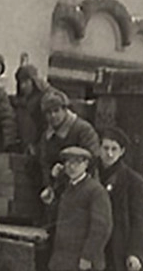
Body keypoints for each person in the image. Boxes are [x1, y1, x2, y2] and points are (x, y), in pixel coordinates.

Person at [96, 126, 143, 271]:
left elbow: (139, 220)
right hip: (97, 245)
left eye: (114, 149)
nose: (109, 154)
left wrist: (135, 252)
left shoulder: (133, 182)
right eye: (105, 148)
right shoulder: (92, 174)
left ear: (122, 151)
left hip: (120, 247)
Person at [38, 89, 100, 219]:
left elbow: (93, 157)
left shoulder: (83, 129)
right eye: (48, 113)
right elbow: (44, 162)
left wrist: (67, 169)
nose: (53, 116)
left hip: (82, 189)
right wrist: (48, 185)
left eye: (56, 111)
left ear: (65, 110)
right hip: (57, 192)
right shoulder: (47, 136)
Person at [11, 62, 50, 154]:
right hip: (23, 146)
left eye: (26, 81)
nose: (23, 86)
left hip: (39, 148)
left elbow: (46, 127)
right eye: (20, 82)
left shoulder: (43, 100)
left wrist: (37, 147)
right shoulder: (17, 102)